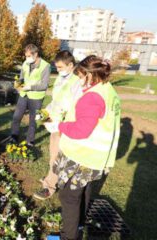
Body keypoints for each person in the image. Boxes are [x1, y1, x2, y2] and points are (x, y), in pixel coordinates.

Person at [43, 55, 121, 240]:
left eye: (80, 75)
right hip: (95, 156)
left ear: (88, 75)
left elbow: (81, 130)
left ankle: (68, 237)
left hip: (81, 155)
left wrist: (58, 126)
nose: (78, 79)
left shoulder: (92, 97)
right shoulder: (107, 90)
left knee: (69, 198)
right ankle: (77, 228)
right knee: (83, 191)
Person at [34, 50, 82, 200]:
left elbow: (75, 107)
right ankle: (52, 177)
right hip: (55, 124)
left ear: (70, 65)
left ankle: (49, 186)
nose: (58, 70)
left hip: (65, 126)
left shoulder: (77, 82)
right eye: (57, 67)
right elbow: (57, 101)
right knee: (53, 153)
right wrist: (46, 113)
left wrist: (60, 122)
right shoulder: (62, 79)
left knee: (56, 156)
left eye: (61, 67)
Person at [7, 44, 51, 146]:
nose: (27, 58)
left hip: (36, 97)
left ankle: (30, 141)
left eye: (28, 56)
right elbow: (22, 77)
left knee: (33, 120)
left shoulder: (45, 66)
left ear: (35, 54)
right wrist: (18, 82)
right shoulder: (25, 63)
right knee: (16, 117)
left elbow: (44, 85)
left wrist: (30, 87)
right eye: (26, 56)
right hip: (24, 95)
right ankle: (14, 137)